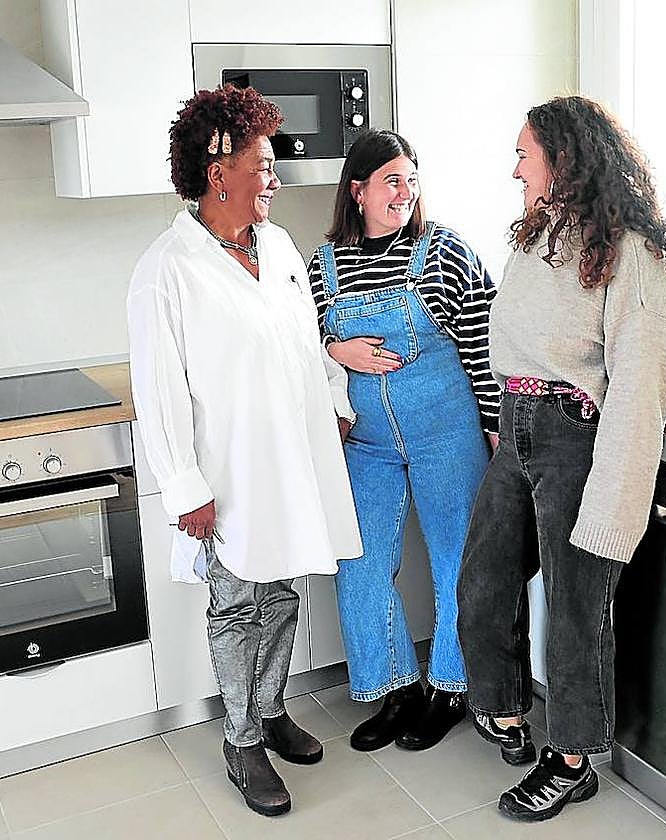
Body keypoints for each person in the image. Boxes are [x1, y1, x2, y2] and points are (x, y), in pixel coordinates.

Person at [126, 84, 363, 818]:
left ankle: (268, 710)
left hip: (291, 460)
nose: (276, 179)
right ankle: (240, 740)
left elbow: (303, 336)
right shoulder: (168, 268)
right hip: (226, 472)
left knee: (285, 591)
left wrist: (335, 401)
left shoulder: (280, 245)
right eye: (264, 165)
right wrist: (183, 485)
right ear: (217, 169)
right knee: (237, 605)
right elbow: (158, 388)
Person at [457, 95, 666, 822]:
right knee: (483, 584)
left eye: (524, 153)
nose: (513, 167)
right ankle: (505, 710)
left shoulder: (635, 257)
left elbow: (641, 389)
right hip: (516, 429)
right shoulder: (537, 235)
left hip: (577, 439)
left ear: (565, 157)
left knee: (576, 613)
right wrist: (501, 425)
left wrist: (613, 511)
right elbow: (515, 343)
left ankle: (573, 759)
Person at [309, 129, 501, 753]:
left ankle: (449, 687)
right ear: (358, 189)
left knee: (456, 562)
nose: (405, 193)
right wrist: (334, 348)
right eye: (392, 180)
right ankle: (394, 687)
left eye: (412, 181)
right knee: (360, 559)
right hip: (364, 442)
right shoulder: (322, 265)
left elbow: (483, 344)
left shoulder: (444, 252)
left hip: (447, 431)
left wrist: (495, 426)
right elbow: (294, 349)